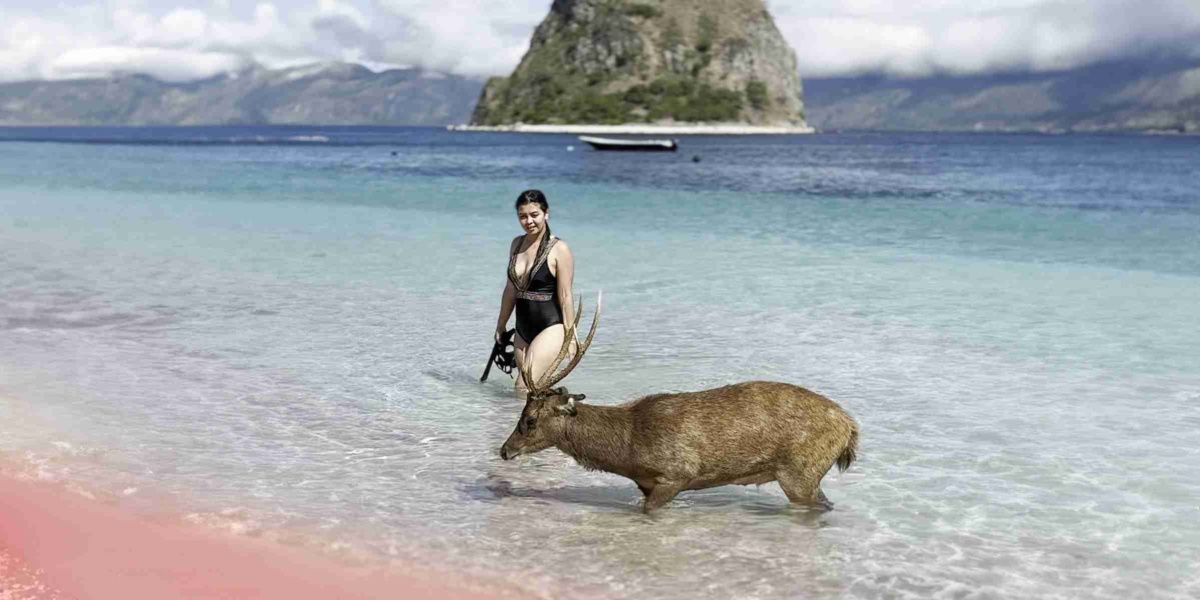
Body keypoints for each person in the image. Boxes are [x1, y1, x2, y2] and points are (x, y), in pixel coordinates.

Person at [495, 190, 576, 397]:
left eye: (534, 215)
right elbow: (510, 290)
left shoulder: (559, 249)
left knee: (523, 386)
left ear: (546, 214)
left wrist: (571, 337)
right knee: (535, 391)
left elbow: (565, 296)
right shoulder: (516, 244)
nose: (529, 221)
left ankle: (511, 418)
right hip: (522, 329)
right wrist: (501, 325)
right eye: (523, 216)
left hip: (551, 327)